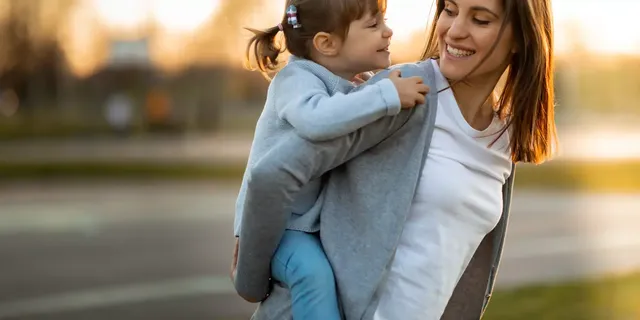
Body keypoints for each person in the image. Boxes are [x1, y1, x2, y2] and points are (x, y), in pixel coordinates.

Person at [233, 0, 557, 319]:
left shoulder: (503, 135)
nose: (455, 30)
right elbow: (273, 174)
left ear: (522, 37)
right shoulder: (401, 92)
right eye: (450, 10)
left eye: (481, 20)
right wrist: (250, 280)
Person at [233, 0, 429, 319]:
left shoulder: (351, 82)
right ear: (327, 43)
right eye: (373, 25)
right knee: (313, 275)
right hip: (278, 228)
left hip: (304, 223)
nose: (388, 31)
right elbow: (318, 121)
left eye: (385, 21)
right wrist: (385, 96)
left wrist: (370, 93)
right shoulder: (295, 80)